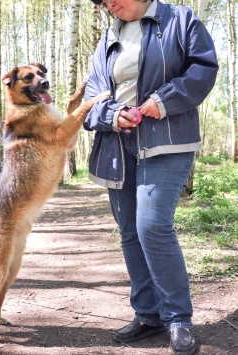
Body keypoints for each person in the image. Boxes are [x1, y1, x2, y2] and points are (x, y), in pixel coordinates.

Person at [84, 0, 219, 354]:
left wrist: (166, 99)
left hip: (168, 140)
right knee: (130, 229)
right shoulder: (108, 38)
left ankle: (178, 319)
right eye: (100, 2)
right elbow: (91, 98)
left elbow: (204, 68)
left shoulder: (179, 20)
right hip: (117, 146)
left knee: (152, 226)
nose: (107, 4)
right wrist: (112, 114)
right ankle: (148, 315)